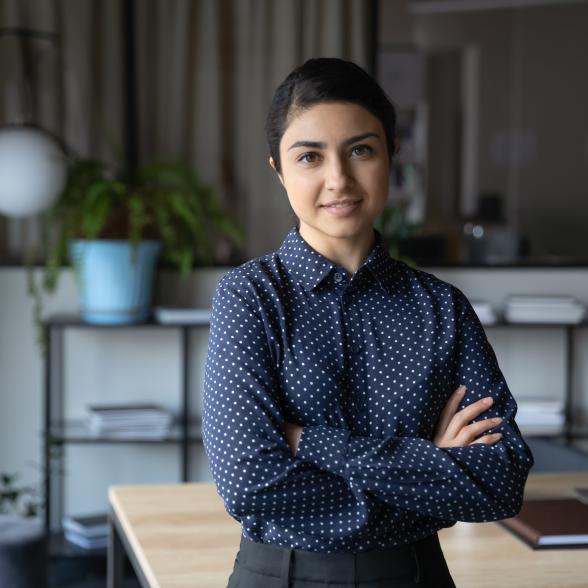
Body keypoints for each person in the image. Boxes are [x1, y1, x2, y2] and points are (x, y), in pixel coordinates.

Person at [202, 57, 535, 588]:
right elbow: (249, 481)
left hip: (416, 575)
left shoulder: (442, 308)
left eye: (360, 150)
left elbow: (499, 483)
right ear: (279, 169)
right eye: (310, 156)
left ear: (391, 155)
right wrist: (429, 467)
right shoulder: (251, 297)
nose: (339, 179)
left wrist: (307, 442)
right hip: (282, 576)